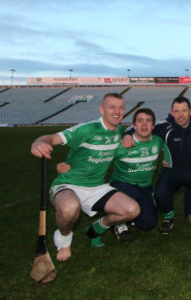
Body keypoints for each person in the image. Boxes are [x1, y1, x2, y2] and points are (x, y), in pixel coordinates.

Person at [30, 93, 139, 261]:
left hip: (97, 187)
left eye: (121, 108)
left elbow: (125, 134)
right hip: (69, 184)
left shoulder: (119, 131)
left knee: (132, 210)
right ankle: (64, 238)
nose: (117, 111)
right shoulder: (87, 129)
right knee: (69, 208)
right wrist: (39, 142)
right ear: (102, 110)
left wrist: (126, 135)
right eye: (112, 107)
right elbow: (52, 138)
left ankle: (99, 225)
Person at [123, 97, 191, 234]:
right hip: (173, 171)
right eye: (177, 111)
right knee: (160, 194)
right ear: (171, 112)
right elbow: (135, 126)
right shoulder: (164, 126)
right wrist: (127, 135)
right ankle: (169, 217)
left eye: (184, 111)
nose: (180, 115)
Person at [108, 108, 170, 238]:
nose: (144, 125)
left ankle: (130, 216)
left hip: (144, 188)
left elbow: (173, 149)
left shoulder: (157, 142)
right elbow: (99, 158)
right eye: (140, 121)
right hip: (121, 186)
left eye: (148, 121)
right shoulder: (122, 144)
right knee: (132, 192)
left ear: (153, 126)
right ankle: (117, 223)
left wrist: (168, 160)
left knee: (149, 223)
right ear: (134, 126)